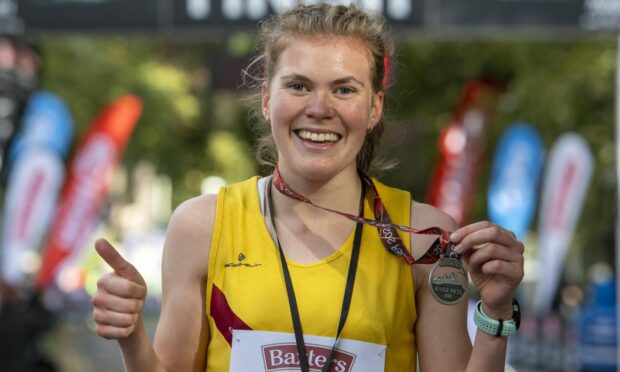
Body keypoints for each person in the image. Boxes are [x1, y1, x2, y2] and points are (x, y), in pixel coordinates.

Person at [91, 3, 524, 371]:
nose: (319, 108)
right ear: (266, 99)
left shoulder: (424, 236)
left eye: (344, 90)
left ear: (374, 107)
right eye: (298, 86)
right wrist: (131, 336)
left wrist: (496, 313)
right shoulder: (202, 225)